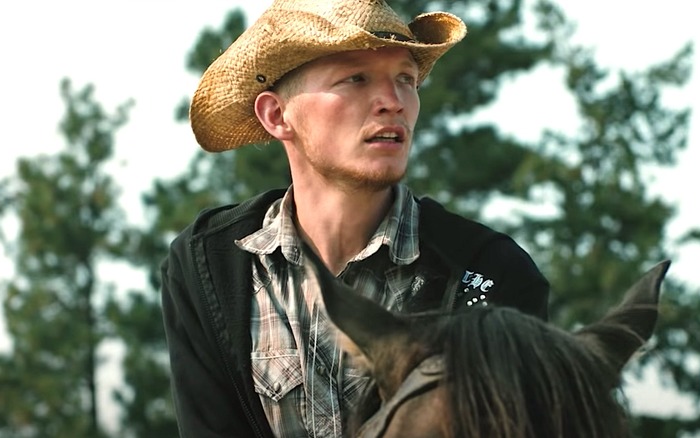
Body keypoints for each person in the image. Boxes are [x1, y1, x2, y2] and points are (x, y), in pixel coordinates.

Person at [160, 0, 550, 436]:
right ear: (276, 115)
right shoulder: (208, 264)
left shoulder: (492, 273)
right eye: (355, 78)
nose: (393, 102)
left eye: (406, 78)